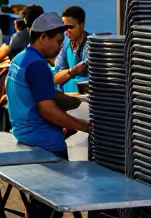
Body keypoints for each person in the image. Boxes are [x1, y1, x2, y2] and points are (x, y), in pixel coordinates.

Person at [6, 12, 91, 156]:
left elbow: (41, 93)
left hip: (22, 135)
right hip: (45, 143)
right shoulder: (38, 65)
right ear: (44, 37)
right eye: (58, 42)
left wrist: (77, 102)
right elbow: (48, 111)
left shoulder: (19, 60)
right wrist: (85, 126)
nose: (60, 48)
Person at [53, 5, 90, 93]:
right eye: (65, 27)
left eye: (71, 27)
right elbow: (56, 76)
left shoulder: (91, 46)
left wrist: (67, 75)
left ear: (82, 26)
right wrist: (73, 72)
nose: (67, 31)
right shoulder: (66, 43)